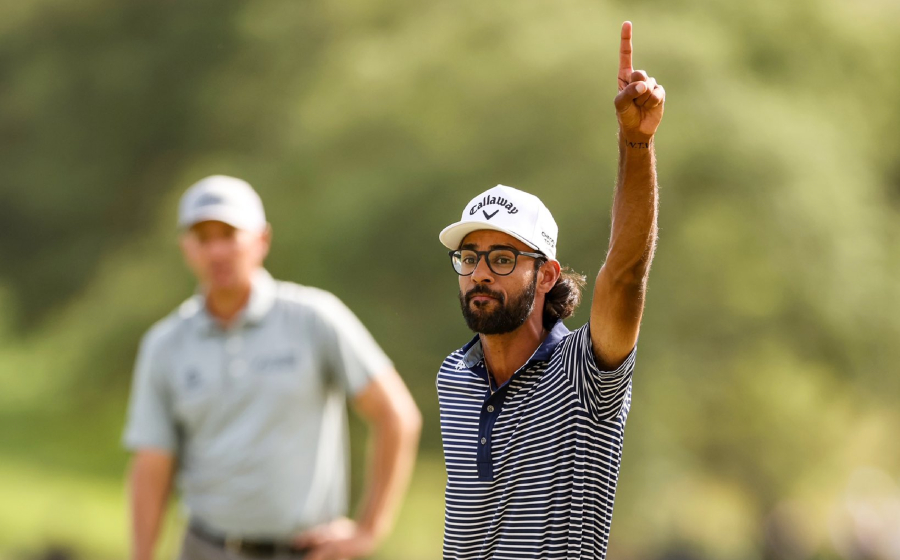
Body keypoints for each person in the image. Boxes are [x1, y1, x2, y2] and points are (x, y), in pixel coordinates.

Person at [435, 21, 665, 560]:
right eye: (469, 258)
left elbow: (626, 273)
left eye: (502, 258)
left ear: (545, 274)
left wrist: (636, 141)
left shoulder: (585, 372)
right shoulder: (454, 377)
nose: (480, 274)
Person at [122, 175, 422, 560]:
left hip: (304, 551)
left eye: (228, 235)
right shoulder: (165, 344)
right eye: (202, 237)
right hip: (205, 549)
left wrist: (369, 530)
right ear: (186, 248)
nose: (216, 251)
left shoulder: (314, 318)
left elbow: (396, 415)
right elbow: (152, 464)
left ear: (261, 240)